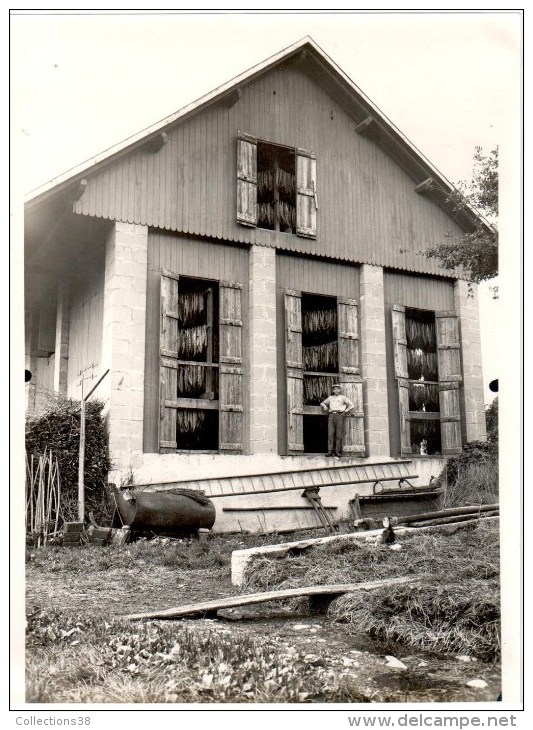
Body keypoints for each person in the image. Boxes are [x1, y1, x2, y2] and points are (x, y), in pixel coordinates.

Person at [320, 383, 354, 457]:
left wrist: (345, 411)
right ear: (333, 390)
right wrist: (324, 406)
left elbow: (351, 405)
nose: (336, 390)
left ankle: (337, 451)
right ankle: (330, 451)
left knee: (338, 434)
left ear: (340, 390)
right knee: (330, 433)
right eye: (335, 389)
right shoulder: (330, 398)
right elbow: (322, 403)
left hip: (339, 416)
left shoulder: (343, 398)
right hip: (331, 415)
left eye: (338, 389)